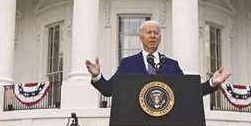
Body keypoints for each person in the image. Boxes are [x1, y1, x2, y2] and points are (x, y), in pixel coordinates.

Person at [86, 20, 231, 97]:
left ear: (160, 38)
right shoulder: (128, 64)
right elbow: (109, 90)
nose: (153, 36)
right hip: (135, 125)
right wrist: (97, 75)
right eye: (149, 33)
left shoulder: (171, 65)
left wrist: (212, 82)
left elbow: (188, 91)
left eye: (156, 33)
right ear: (141, 37)